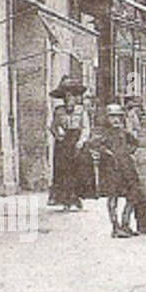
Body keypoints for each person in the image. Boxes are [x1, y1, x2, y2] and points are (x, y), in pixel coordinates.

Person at [89, 103, 138, 238]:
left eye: (118, 117)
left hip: (126, 167)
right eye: (112, 117)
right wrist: (106, 152)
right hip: (111, 168)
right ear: (107, 118)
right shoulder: (103, 133)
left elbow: (135, 142)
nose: (115, 120)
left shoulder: (124, 132)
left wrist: (128, 152)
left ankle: (125, 223)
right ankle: (115, 227)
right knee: (113, 197)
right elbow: (93, 144)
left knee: (133, 194)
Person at [48, 76, 92, 211]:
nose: (69, 99)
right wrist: (58, 135)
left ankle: (77, 197)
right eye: (67, 96)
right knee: (63, 171)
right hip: (63, 143)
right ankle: (65, 199)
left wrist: (81, 141)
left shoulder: (81, 111)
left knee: (79, 170)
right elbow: (53, 126)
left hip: (77, 141)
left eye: (72, 96)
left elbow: (86, 128)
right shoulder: (59, 111)